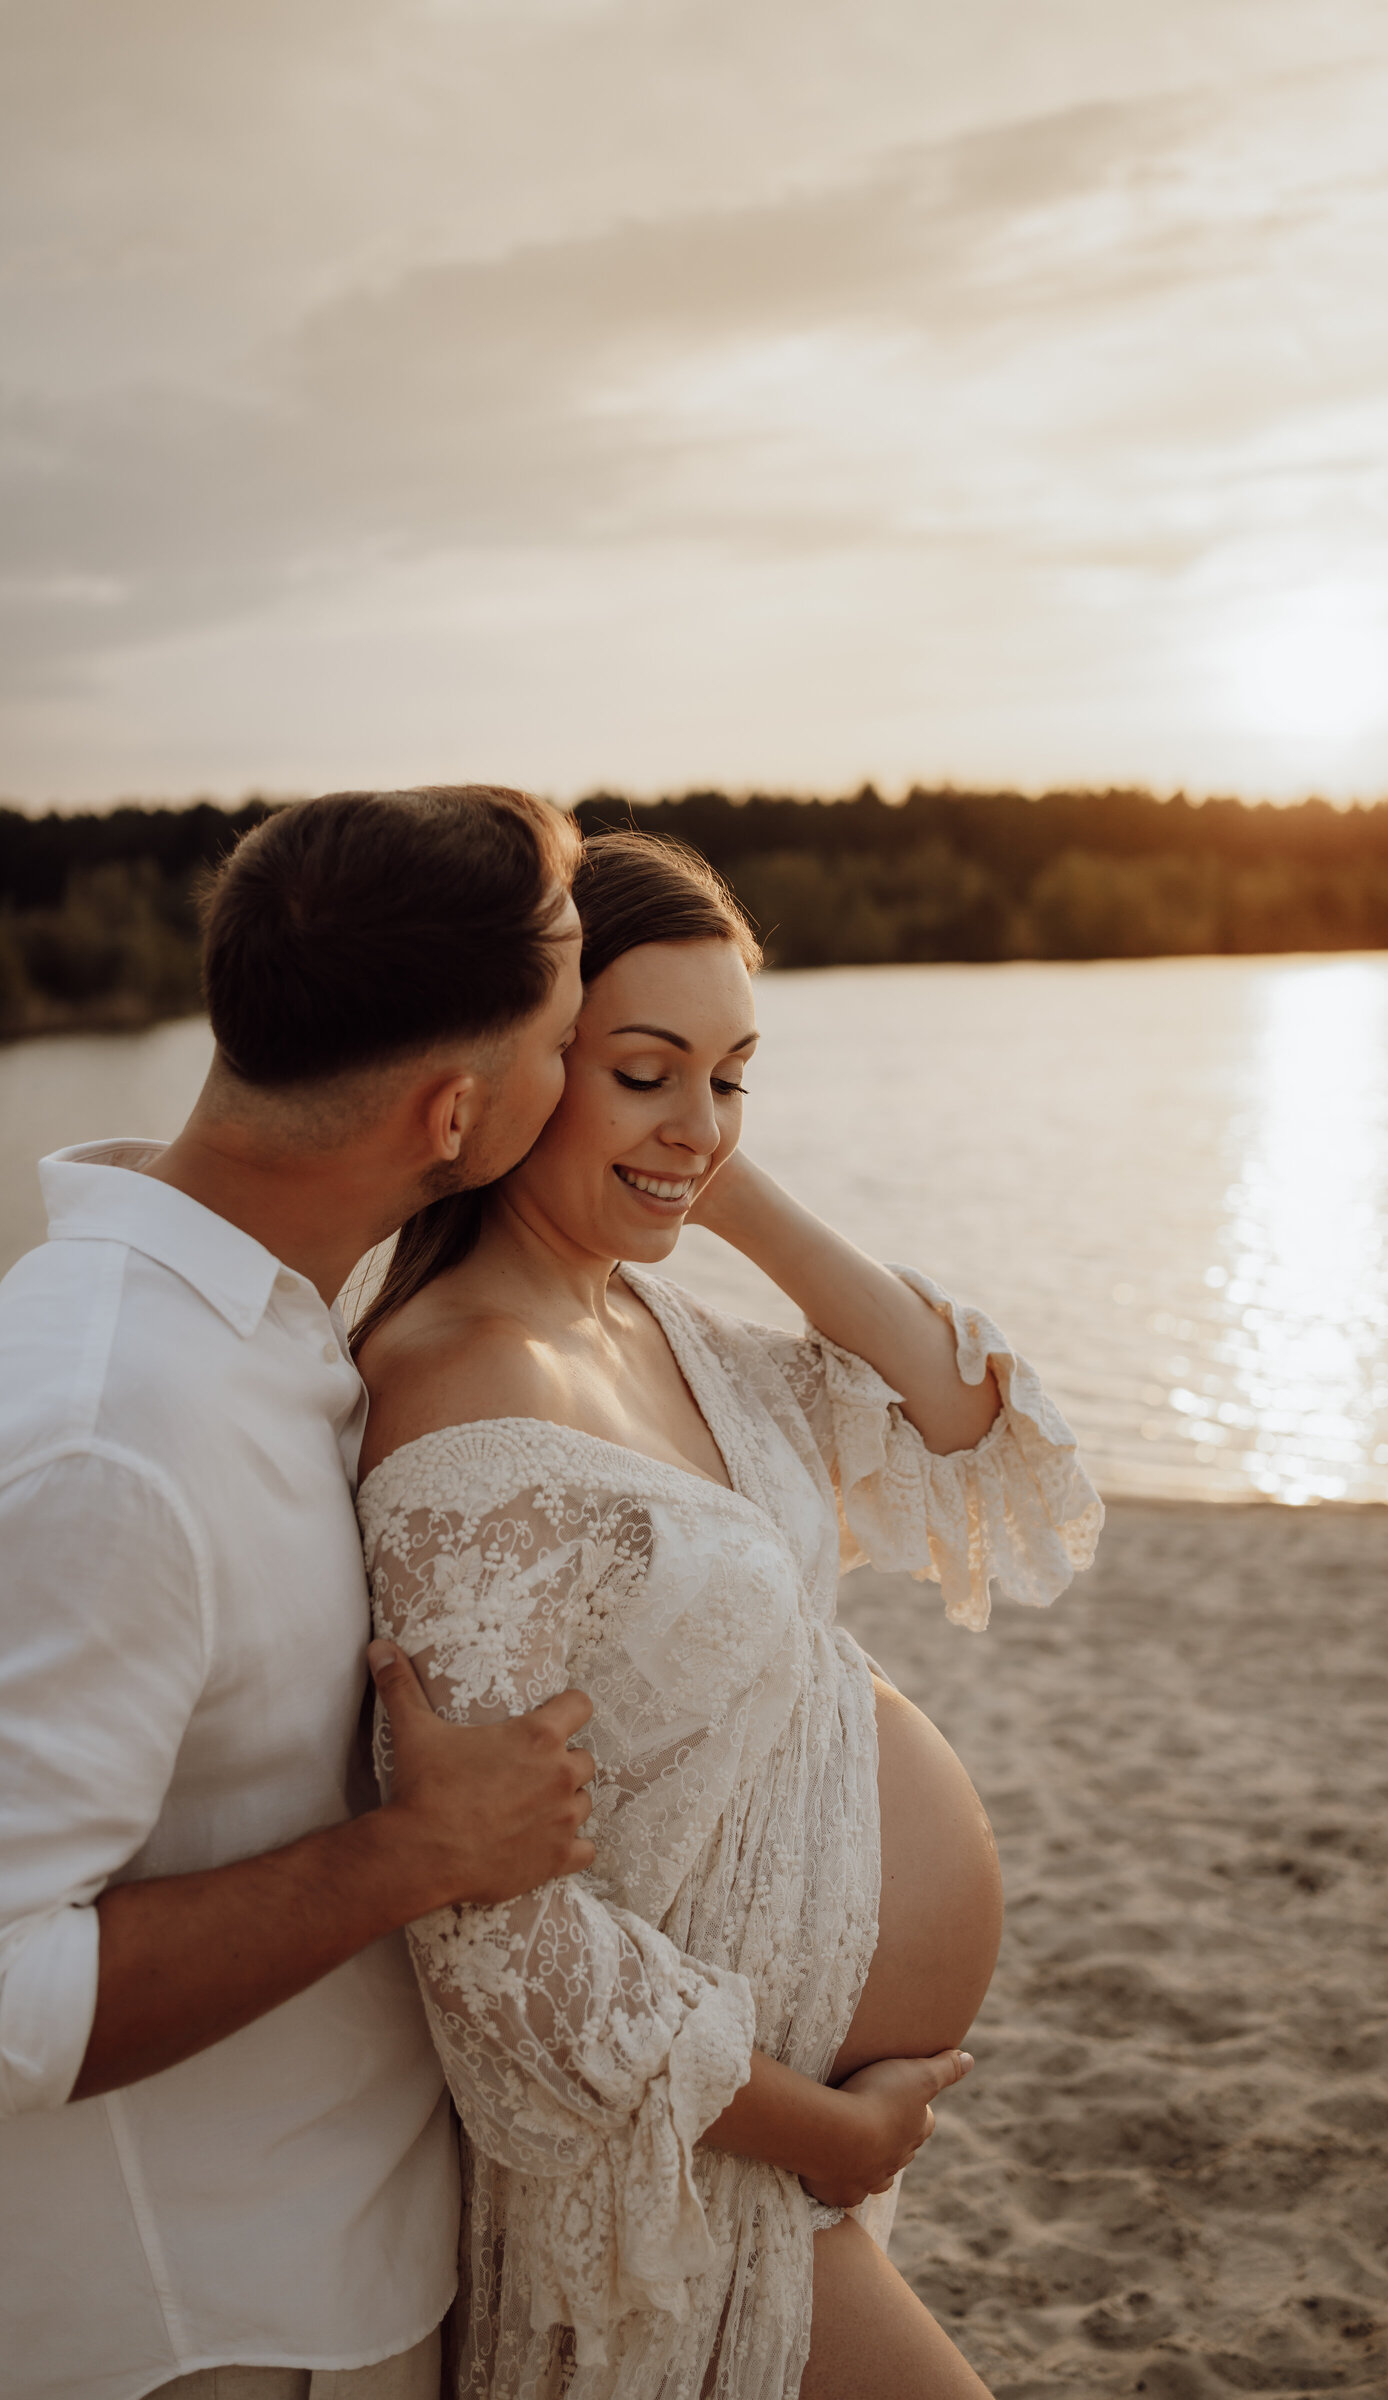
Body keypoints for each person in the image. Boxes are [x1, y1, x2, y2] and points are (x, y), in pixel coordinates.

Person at [353, 830, 1105, 2400]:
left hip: (772, 2157)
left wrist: (704, 1173)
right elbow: (493, 1940)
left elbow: (962, 1419)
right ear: (523, 1064)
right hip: (676, 2184)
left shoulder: (655, 1320)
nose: (700, 1121)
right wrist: (823, 2125)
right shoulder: (458, 1396)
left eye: (736, 1074)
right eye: (643, 1069)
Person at [0, 787, 600, 2400]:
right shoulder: (105, 1441)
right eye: (568, 1050)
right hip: (207, 2330)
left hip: (335, 2261)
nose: (572, 1094)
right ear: (447, 1114)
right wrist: (419, 1855)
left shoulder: (254, 1320)